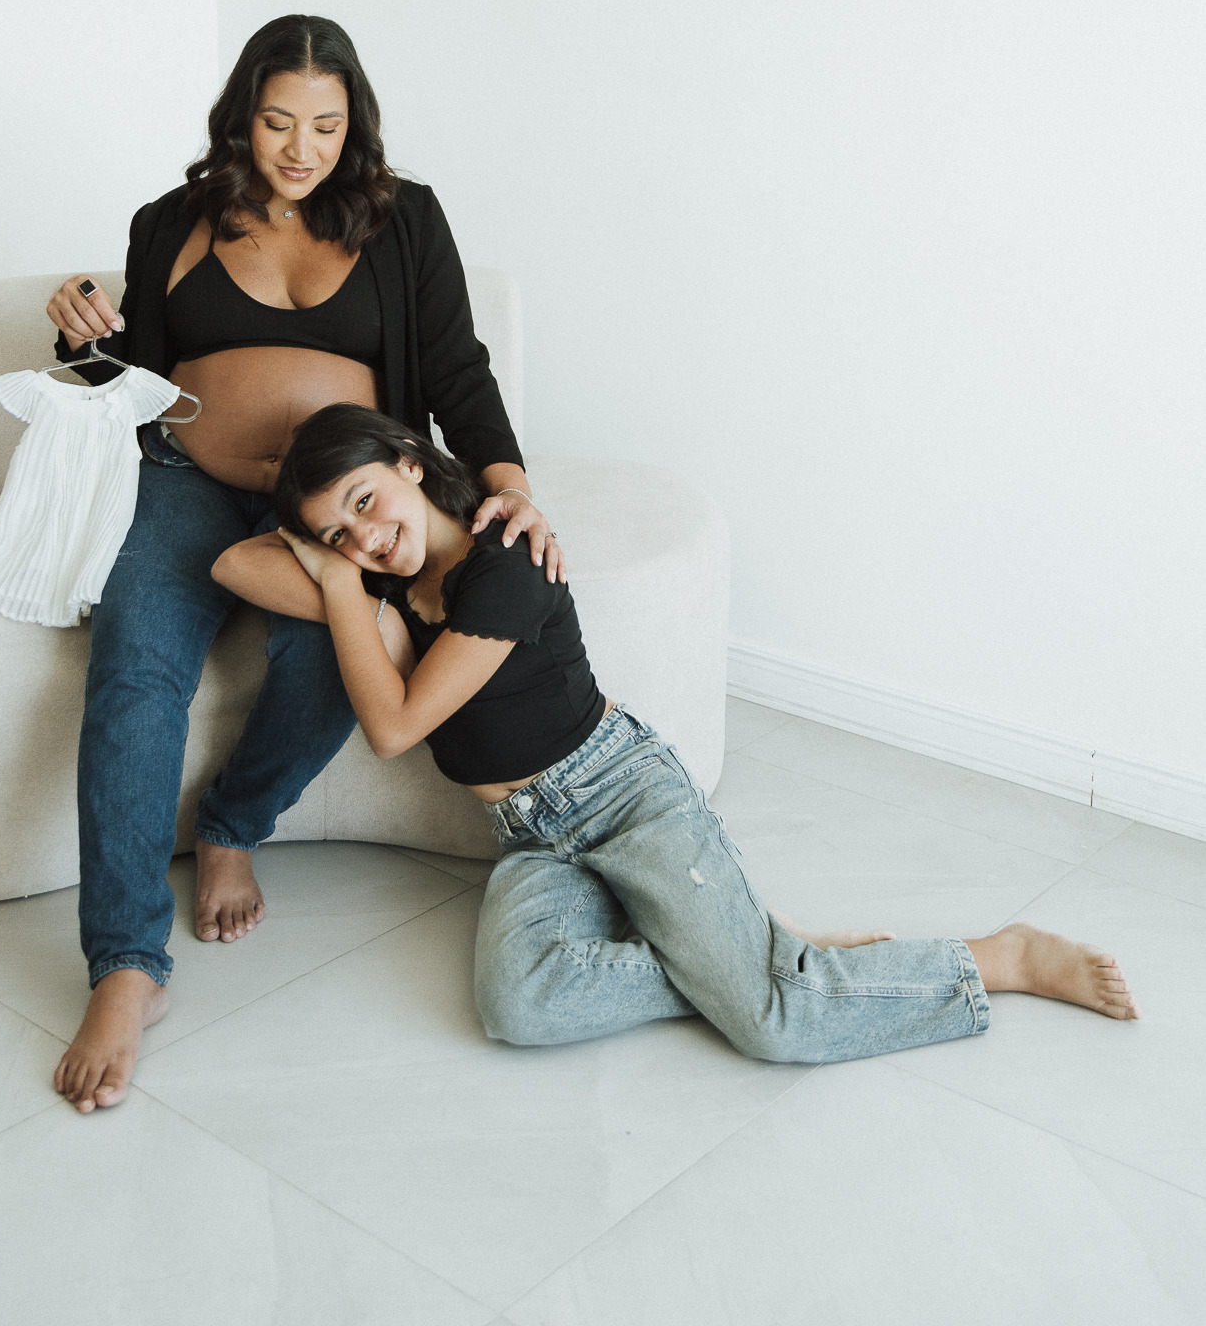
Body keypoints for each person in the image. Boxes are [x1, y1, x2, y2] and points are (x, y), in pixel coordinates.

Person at [210, 403, 1139, 1067]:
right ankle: (750, 951)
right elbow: (231, 562)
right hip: (530, 835)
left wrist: (336, 583)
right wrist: (342, 570)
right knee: (520, 1004)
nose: (363, 538)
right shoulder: (392, 579)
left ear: (410, 463)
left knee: (775, 1025)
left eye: (364, 501)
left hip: (622, 795)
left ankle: (998, 957)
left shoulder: (506, 565)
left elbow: (393, 725)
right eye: (334, 534)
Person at [50, 16, 559, 1115]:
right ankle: (125, 965)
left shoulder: (403, 215)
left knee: (336, 652)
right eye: (279, 121)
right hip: (187, 478)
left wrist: (511, 484)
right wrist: (82, 337)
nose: (301, 148)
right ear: (242, 116)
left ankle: (232, 824)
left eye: (325, 126)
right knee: (134, 666)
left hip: (337, 505)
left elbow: (456, 369)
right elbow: (133, 378)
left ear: (352, 124)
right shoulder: (170, 222)